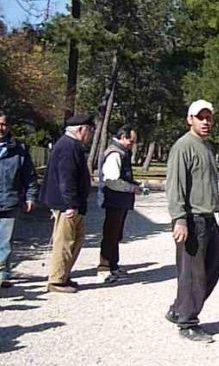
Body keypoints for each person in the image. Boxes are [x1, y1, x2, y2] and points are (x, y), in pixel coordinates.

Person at [165, 100, 219, 343]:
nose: (205, 121)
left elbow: (208, 186)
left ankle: (178, 309)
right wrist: (179, 219)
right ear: (189, 119)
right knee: (193, 273)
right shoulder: (183, 146)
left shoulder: (205, 147)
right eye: (200, 117)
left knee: (213, 264)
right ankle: (187, 323)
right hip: (191, 220)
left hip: (208, 217)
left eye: (209, 117)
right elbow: (175, 186)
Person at [40, 114, 94, 293]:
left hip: (72, 204)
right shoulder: (67, 146)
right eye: (90, 130)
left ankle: (63, 274)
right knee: (64, 241)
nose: (91, 134)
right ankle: (56, 280)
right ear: (81, 130)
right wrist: (70, 204)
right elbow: (66, 178)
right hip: (66, 205)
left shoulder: (71, 145)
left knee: (76, 239)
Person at [97, 125, 142, 283]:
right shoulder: (115, 153)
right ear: (122, 137)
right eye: (131, 140)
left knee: (116, 234)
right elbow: (112, 181)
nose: (132, 144)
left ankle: (113, 266)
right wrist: (131, 188)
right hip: (114, 199)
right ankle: (104, 268)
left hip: (119, 200)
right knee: (110, 234)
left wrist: (134, 183)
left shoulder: (122, 152)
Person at [0, 111, 39, 288]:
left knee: (5, 241)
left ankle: (2, 274)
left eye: (3, 124)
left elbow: (29, 177)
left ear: (8, 126)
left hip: (9, 200)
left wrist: (30, 197)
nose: (0, 128)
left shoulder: (19, 150)